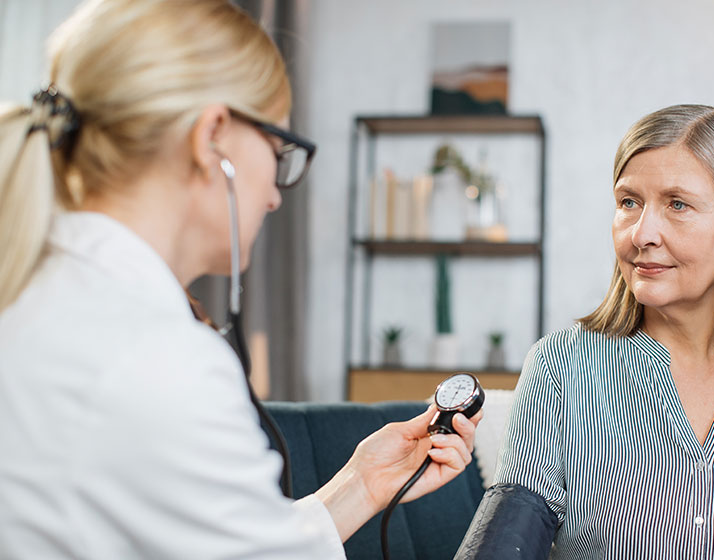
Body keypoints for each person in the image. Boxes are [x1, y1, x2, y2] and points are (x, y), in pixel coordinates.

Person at [0, 1, 480, 558]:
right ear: (213, 137)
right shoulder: (159, 358)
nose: (276, 194)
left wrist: (360, 485)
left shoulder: (45, 301)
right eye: (277, 152)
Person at [456, 104, 714, 559]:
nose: (642, 233)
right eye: (628, 202)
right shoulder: (560, 366)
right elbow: (505, 544)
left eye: (677, 204)